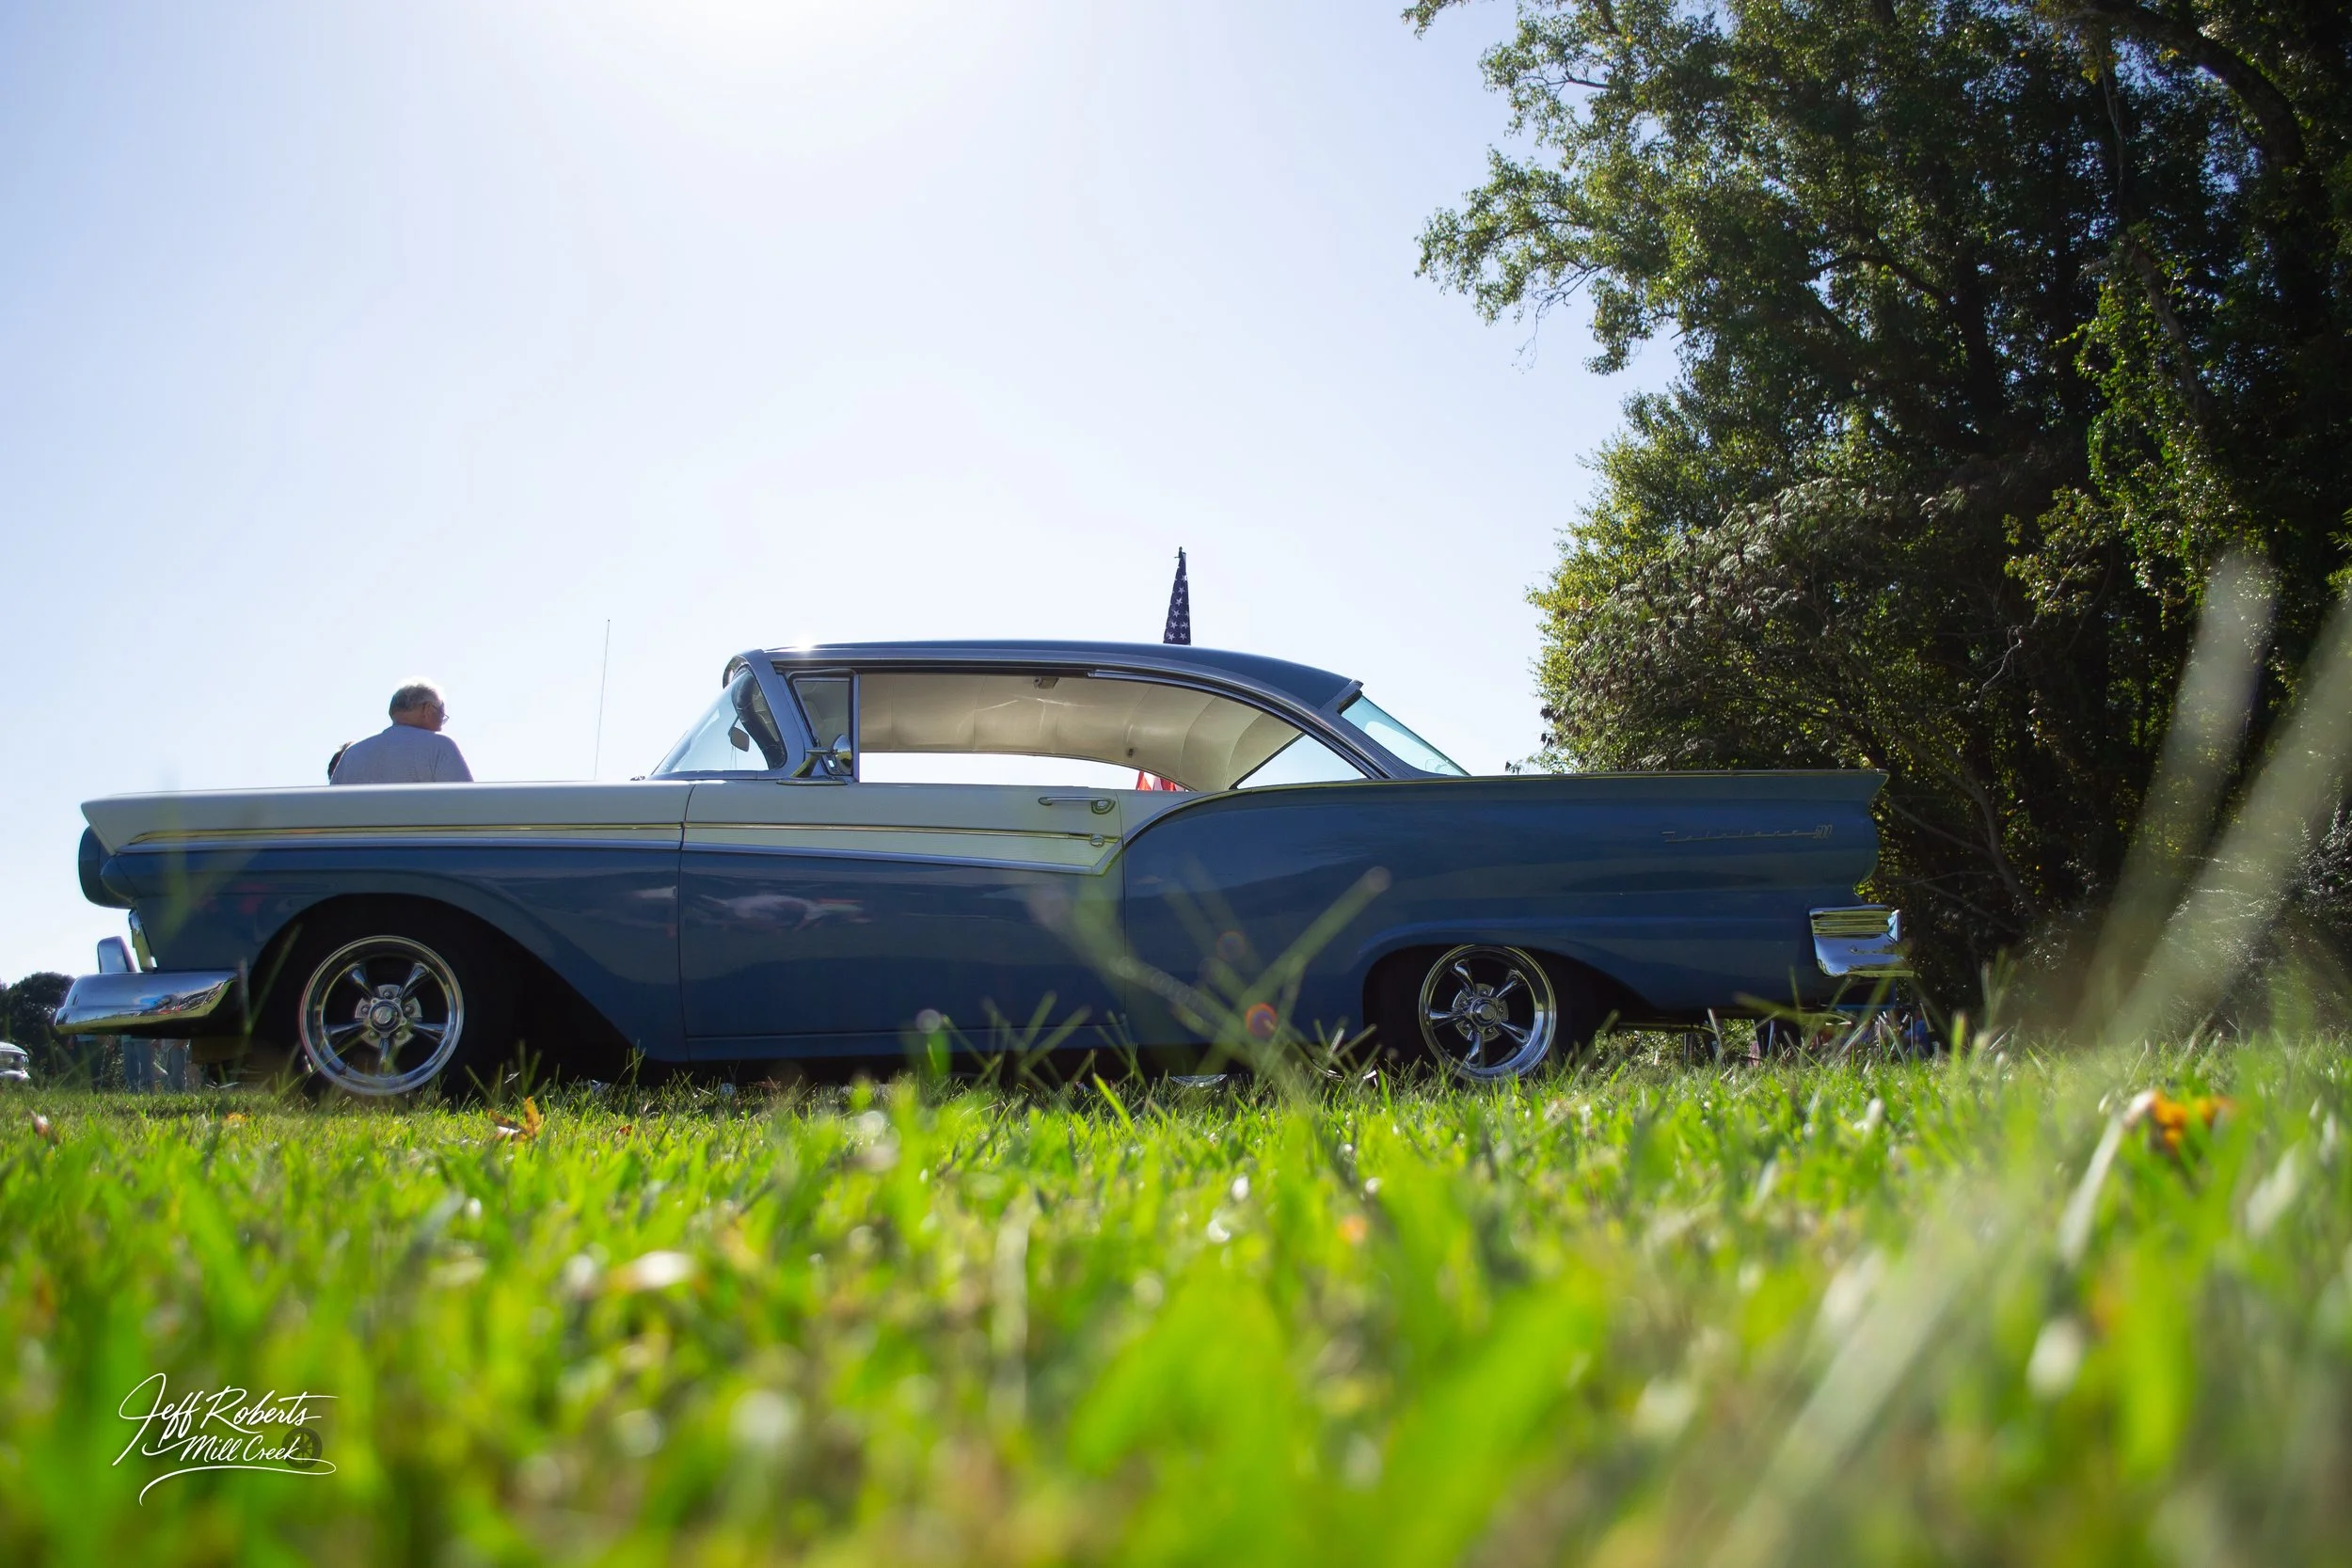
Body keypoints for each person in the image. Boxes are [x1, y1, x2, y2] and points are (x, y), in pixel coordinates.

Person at [329, 681, 474, 784]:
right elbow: (467, 805)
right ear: (427, 709)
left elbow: (331, 809)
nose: (440, 727)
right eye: (441, 716)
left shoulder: (351, 754)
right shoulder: (440, 746)